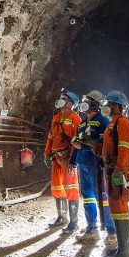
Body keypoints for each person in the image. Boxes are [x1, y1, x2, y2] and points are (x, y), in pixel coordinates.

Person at [69, 90, 116, 244]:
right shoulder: (82, 124)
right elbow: (75, 145)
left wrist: (83, 144)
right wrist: (72, 162)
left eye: (87, 100)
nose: (84, 103)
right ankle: (92, 229)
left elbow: (105, 144)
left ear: (95, 104)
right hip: (83, 165)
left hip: (97, 166)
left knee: (102, 197)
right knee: (88, 197)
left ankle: (111, 232)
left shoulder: (102, 121)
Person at [101, 90, 129, 257]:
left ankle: (126, 253)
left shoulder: (122, 123)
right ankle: (125, 249)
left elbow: (125, 150)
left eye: (108, 104)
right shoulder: (112, 125)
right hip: (112, 170)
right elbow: (109, 149)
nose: (106, 107)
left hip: (119, 173)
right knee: (116, 208)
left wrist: (119, 171)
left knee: (120, 207)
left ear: (116, 106)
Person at [44, 90, 82, 231]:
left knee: (71, 188)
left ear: (71, 103)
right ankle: (62, 218)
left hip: (68, 158)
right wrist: (47, 153)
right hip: (56, 157)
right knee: (57, 188)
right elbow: (51, 137)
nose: (60, 100)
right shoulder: (56, 118)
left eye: (64, 99)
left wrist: (73, 161)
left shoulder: (75, 118)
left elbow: (77, 141)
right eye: (60, 98)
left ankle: (74, 222)